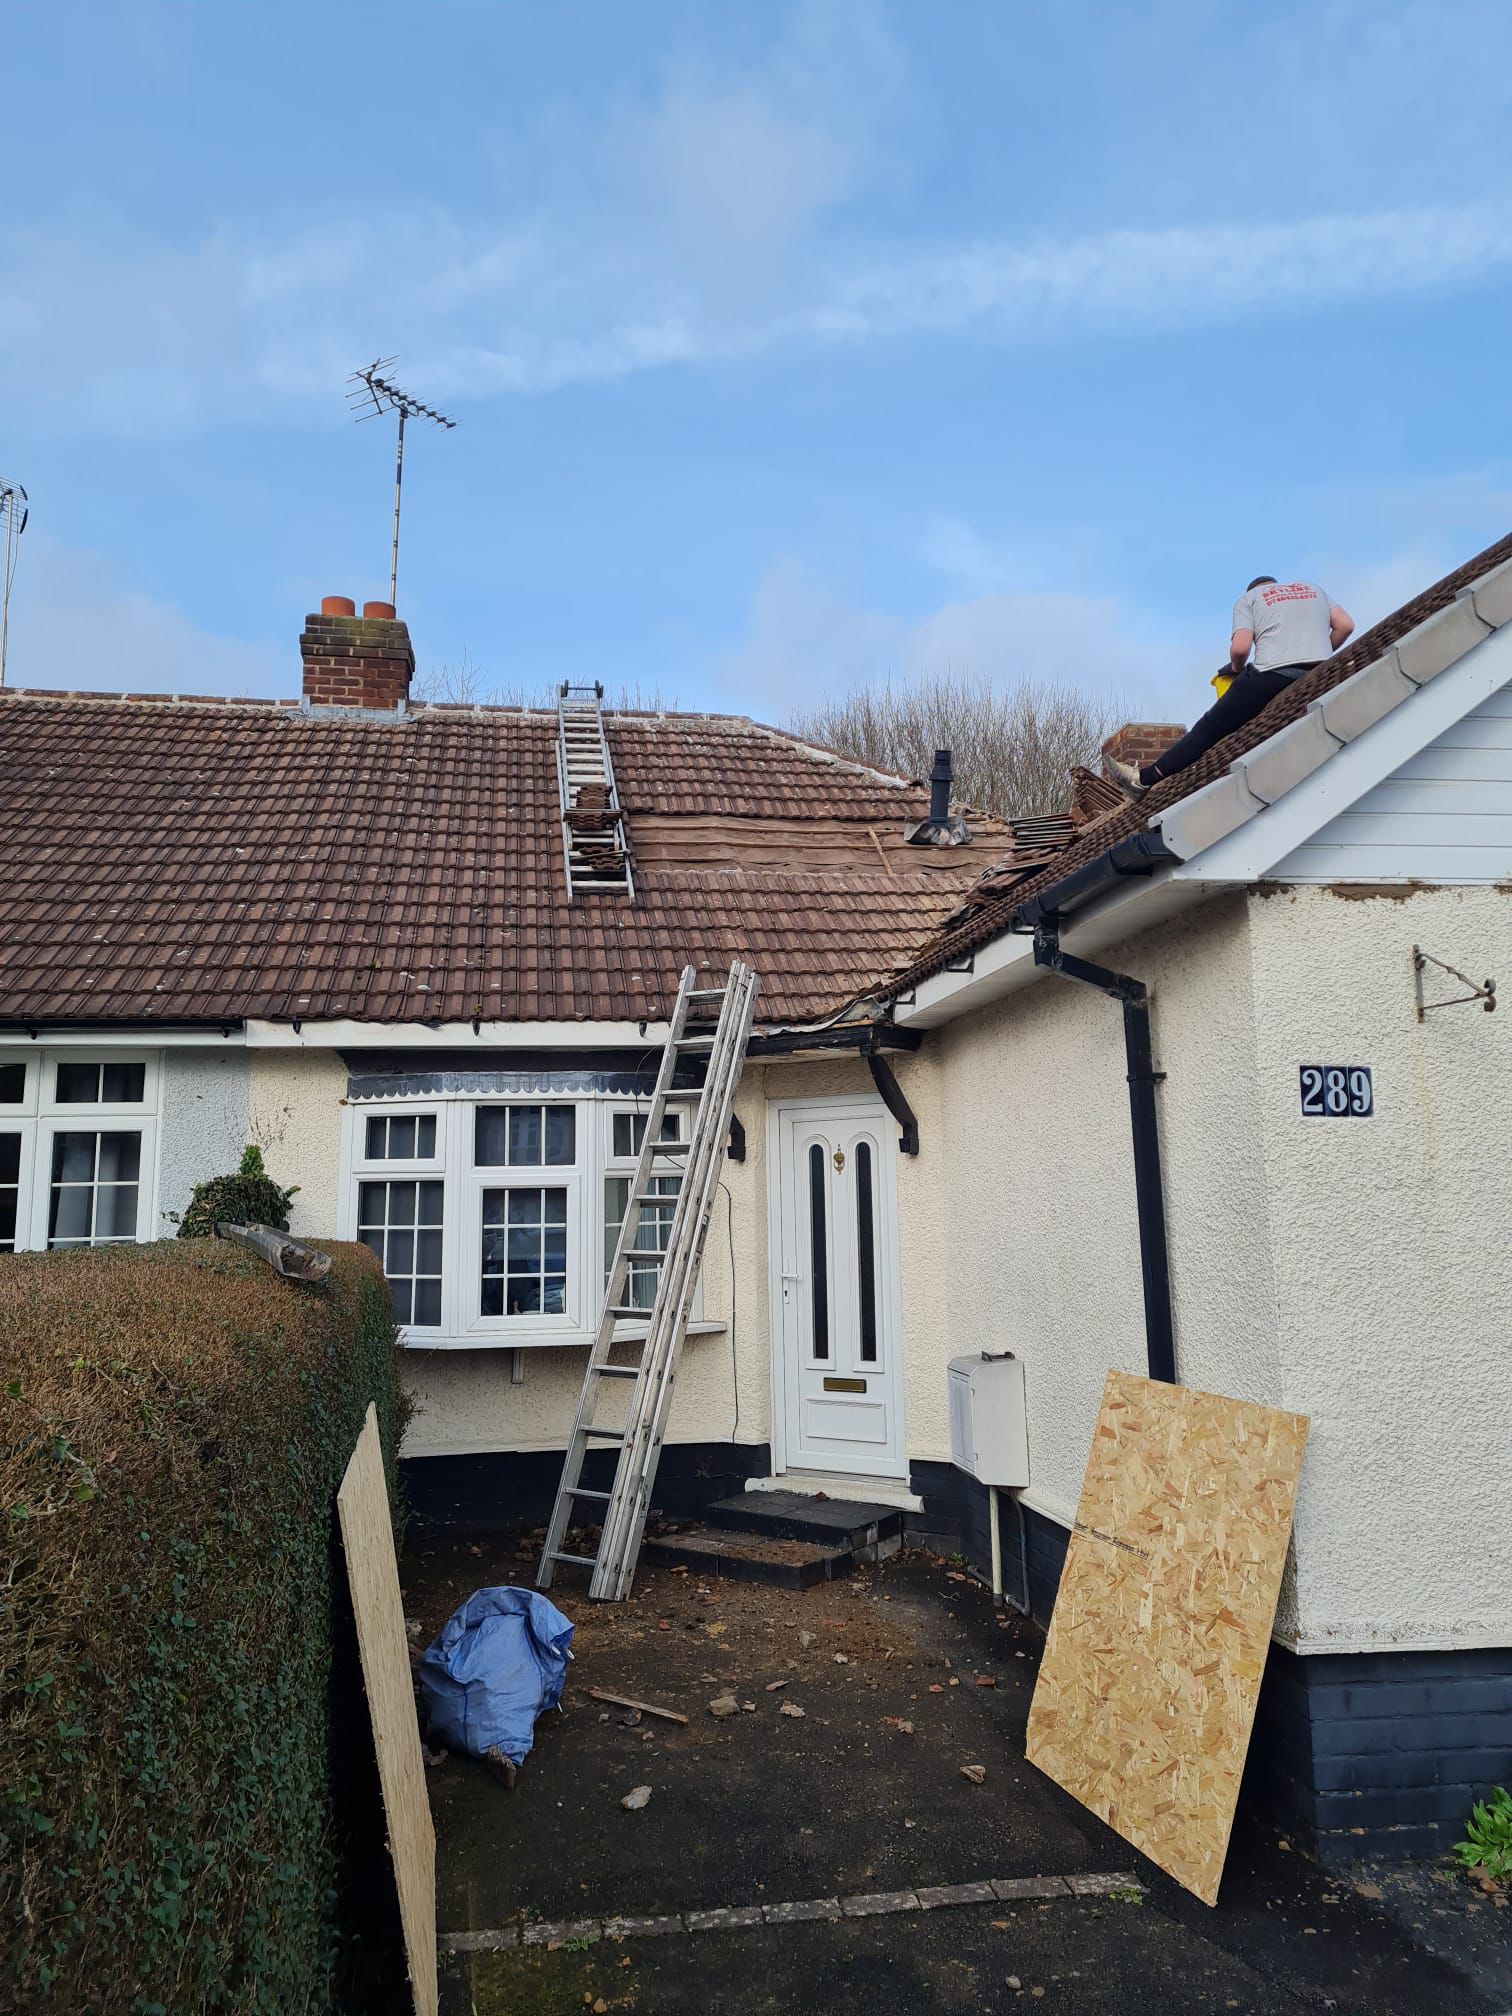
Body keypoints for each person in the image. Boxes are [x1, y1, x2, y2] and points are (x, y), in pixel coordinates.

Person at [1105, 576, 1355, 795]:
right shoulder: (1312, 587)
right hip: (1321, 670)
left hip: (1271, 673)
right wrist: (1312, 661)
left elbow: (1240, 648)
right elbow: (1346, 625)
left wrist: (1236, 670)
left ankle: (1143, 779)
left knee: (1210, 727)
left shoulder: (1249, 599)